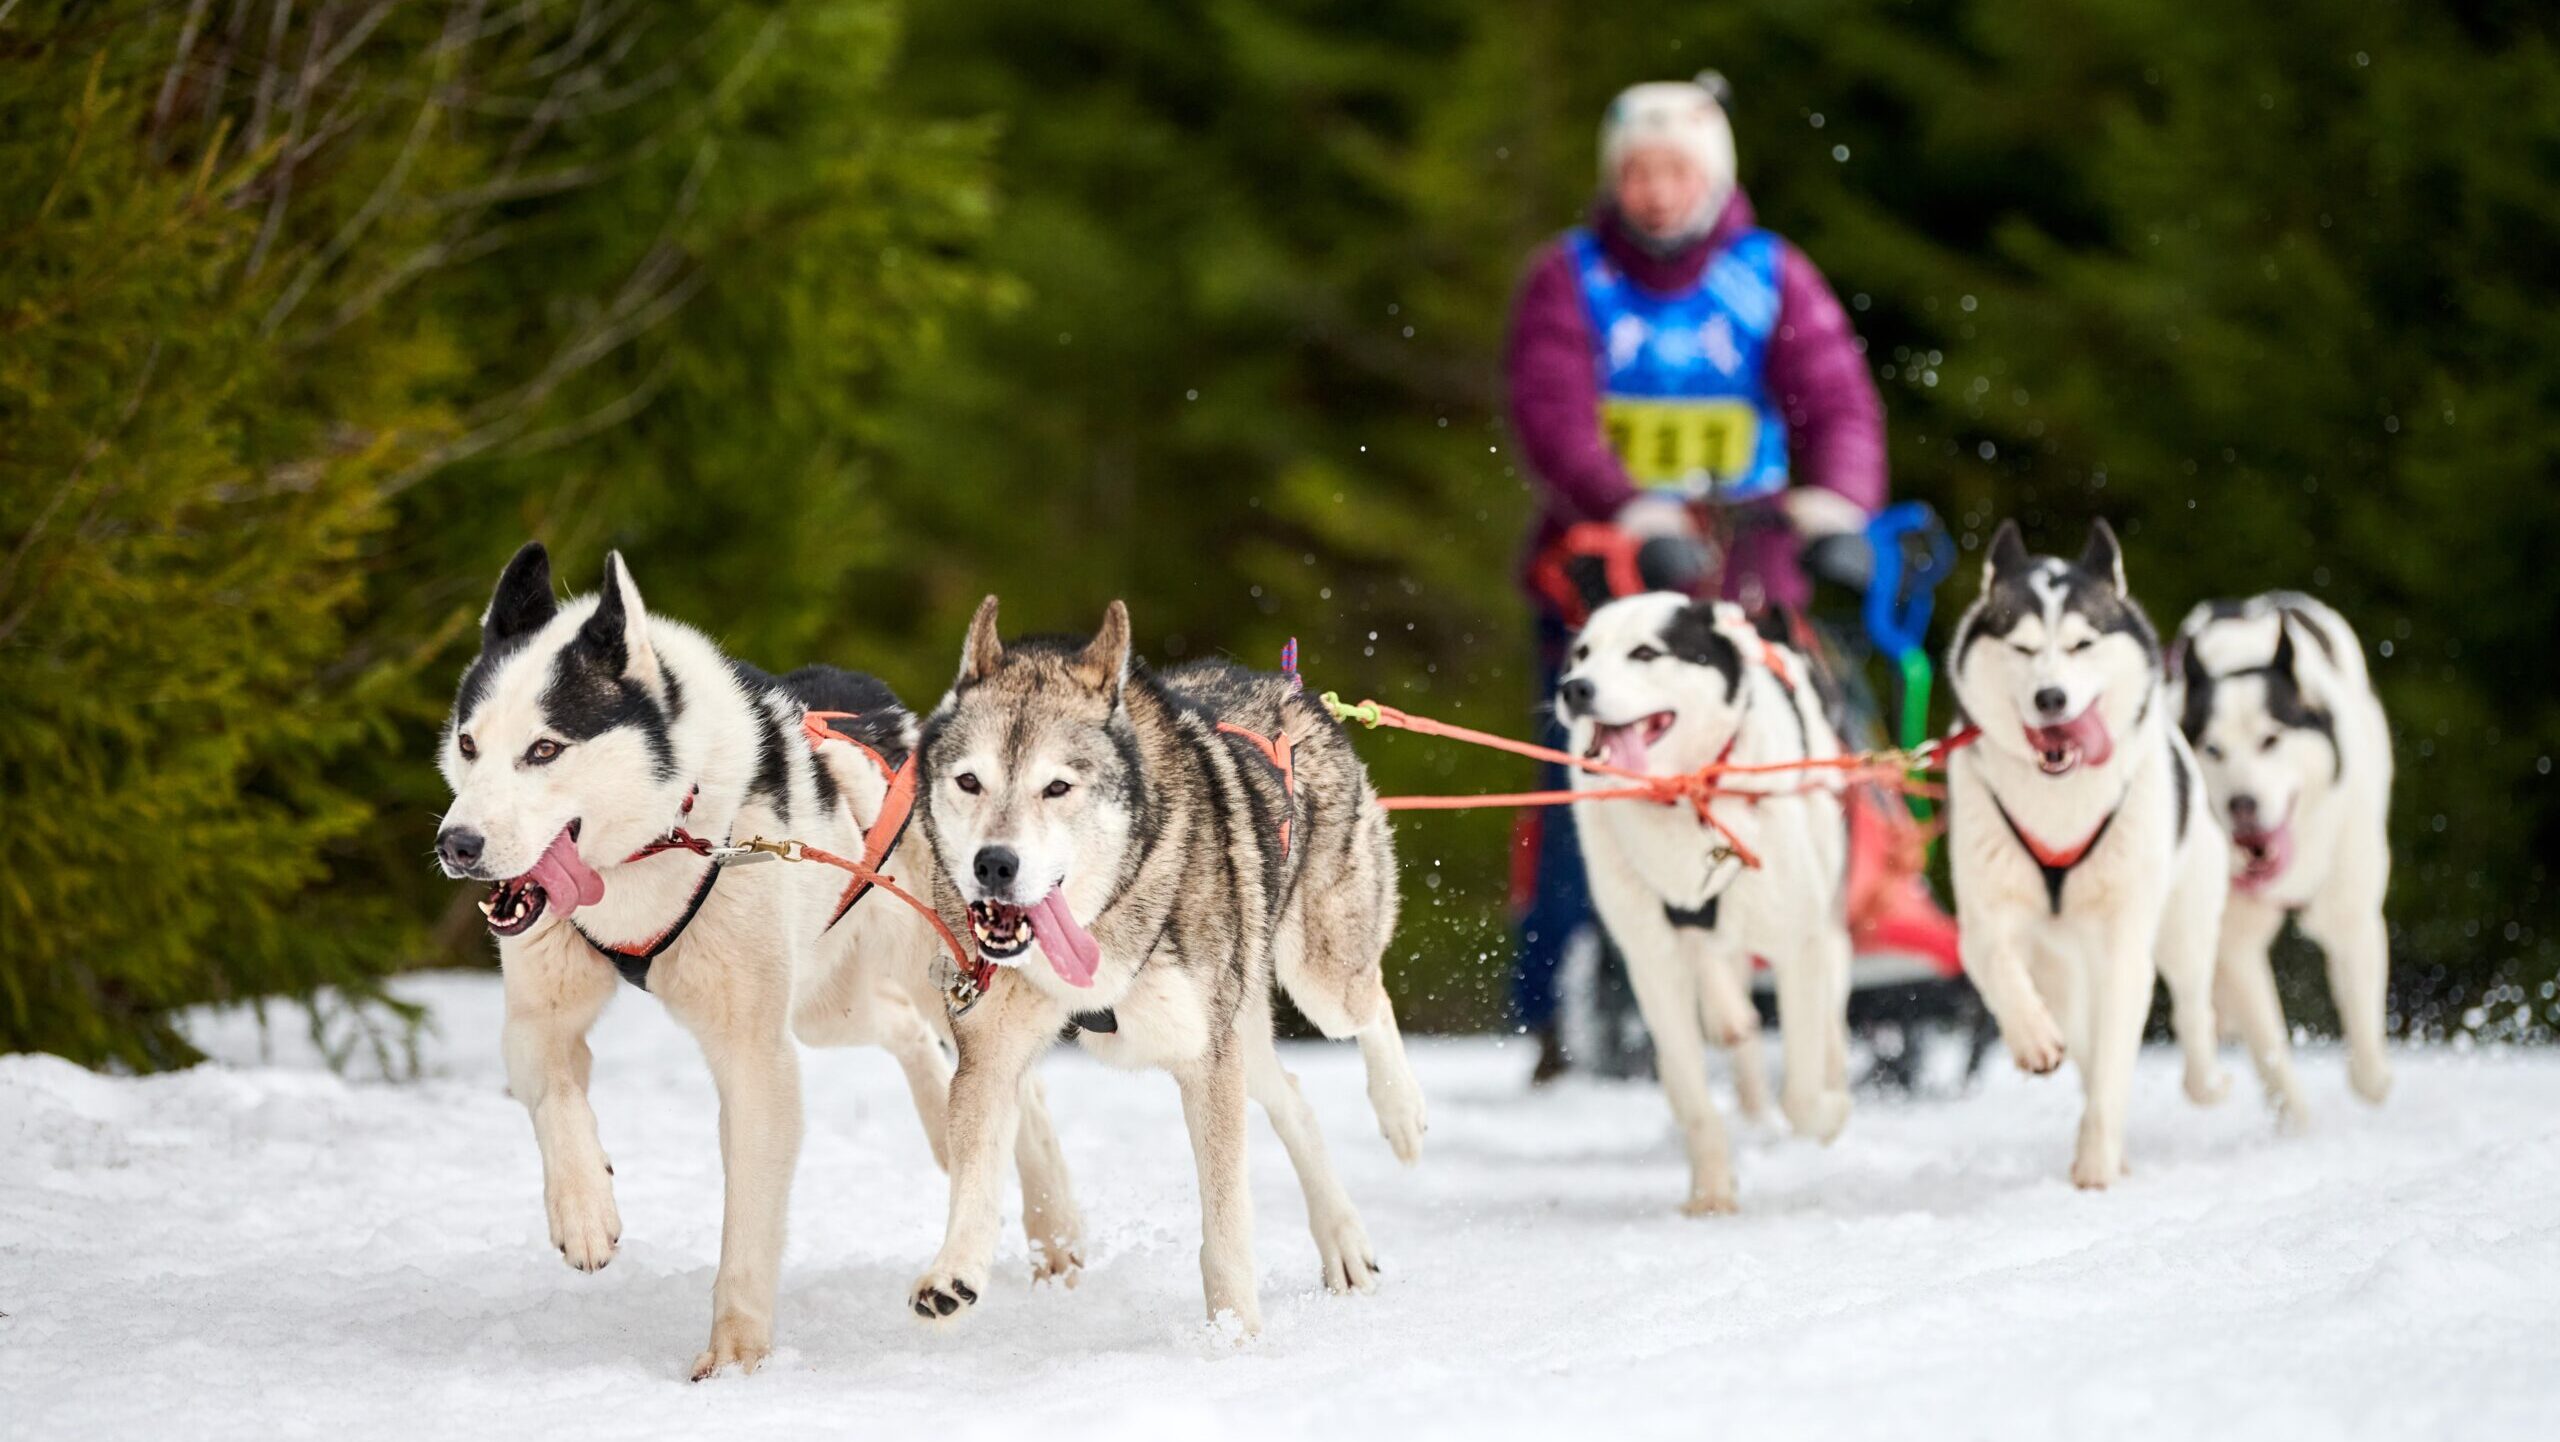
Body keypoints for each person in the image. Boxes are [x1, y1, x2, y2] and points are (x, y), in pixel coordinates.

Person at [1505, 74, 1887, 1082]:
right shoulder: (1572, 276)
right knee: (1580, 781)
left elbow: (1837, 401)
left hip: (1751, 583)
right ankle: (1554, 1004)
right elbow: (1551, 411)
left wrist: (1839, 508)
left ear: (1711, 175)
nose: (1655, 190)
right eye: (1635, 171)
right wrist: (1631, 506)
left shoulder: (1769, 274)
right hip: (1603, 578)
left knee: (1807, 759)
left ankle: (1822, 938)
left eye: (1675, 170)